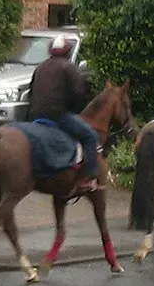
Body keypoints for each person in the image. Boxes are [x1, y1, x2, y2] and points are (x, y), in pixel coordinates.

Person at [27, 34, 101, 196]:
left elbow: (31, 94)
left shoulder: (40, 67)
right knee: (90, 136)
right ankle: (88, 179)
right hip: (58, 116)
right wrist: (74, 111)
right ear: (68, 52)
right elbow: (78, 93)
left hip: (35, 117)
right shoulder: (69, 67)